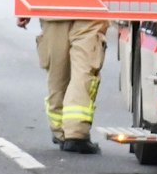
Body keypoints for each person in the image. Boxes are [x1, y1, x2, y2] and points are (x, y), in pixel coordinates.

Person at [34, 17, 107, 153]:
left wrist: (25, 8)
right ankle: (75, 132)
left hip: (52, 5)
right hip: (91, 5)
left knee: (57, 67)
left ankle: (60, 130)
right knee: (84, 67)